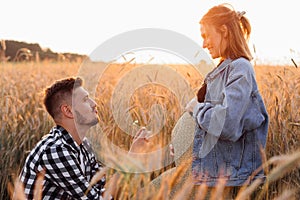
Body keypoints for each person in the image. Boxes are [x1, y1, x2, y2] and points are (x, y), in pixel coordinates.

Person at [185, 3, 269, 198]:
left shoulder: (240, 69)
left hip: (230, 181)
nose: (204, 44)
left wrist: (197, 109)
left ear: (224, 31)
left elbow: (226, 125)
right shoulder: (223, 70)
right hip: (216, 177)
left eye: (206, 35)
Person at [17, 77, 148, 199]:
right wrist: (133, 156)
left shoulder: (84, 145)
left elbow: (103, 188)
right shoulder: (55, 150)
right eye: (85, 100)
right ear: (68, 111)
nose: (94, 103)